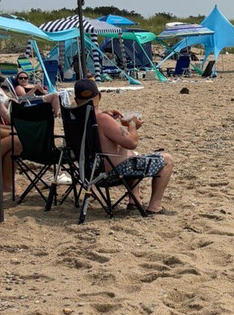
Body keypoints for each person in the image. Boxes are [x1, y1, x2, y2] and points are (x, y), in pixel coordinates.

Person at [74, 79, 175, 214]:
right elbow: (131, 143)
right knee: (167, 160)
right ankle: (155, 206)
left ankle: (134, 200)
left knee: (133, 156)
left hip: (88, 172)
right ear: (99, 96)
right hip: (112, 173)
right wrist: (132, 125)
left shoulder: (75, 119)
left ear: (76, 100)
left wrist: (106, 116)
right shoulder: (102, 119)